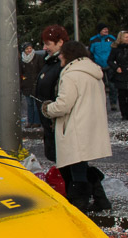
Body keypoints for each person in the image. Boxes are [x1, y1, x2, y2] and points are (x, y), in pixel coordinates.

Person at [41, 41, 112, 212]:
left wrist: (48, 108)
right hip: (90, 124)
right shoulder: (93, 72)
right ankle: (100, 200)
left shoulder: (70, 75)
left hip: (75, 126)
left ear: (69, 54)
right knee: (80, 165)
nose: (60, 57)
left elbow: (64, 105)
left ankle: (79, 204)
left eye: (62, 54)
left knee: (75, 167)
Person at [36, 26, 69, 163]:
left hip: (58, 121)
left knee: (66, 161)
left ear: (60, 42)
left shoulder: (62, 65)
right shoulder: (49, 62)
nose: (44, 47)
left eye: (48, 44)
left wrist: (50, 111)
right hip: (50, 120)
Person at [107, 30, 128, 121]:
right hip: (120, 74)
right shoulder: (116, 49)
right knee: (122, 95)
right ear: (121, 38)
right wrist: (116, 67)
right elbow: (110, 60)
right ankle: (124, 114)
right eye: (126, 37)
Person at [88, 23, 117, 111]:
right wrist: (94, 63)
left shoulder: (112, 39)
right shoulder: (93, 40)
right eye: (104, 29)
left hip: (110, 64)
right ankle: (102, 103)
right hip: (98, 65)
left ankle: (113, 103)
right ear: (100, 30)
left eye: (107, 29)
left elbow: (115, 50)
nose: (106, 30)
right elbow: (90, 53)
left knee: (112, 85)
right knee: (100, 86)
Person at [19, 42, 43, 128]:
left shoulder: (37, 58)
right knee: (29, 104)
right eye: (27, 49)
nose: (29, 50)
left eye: (30, 48)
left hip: (36, 83)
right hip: (26, 85)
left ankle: (37, 121)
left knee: (36, 104)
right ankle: (30, 121)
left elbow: (41, 70)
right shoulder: (22, 60)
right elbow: (20, 73)